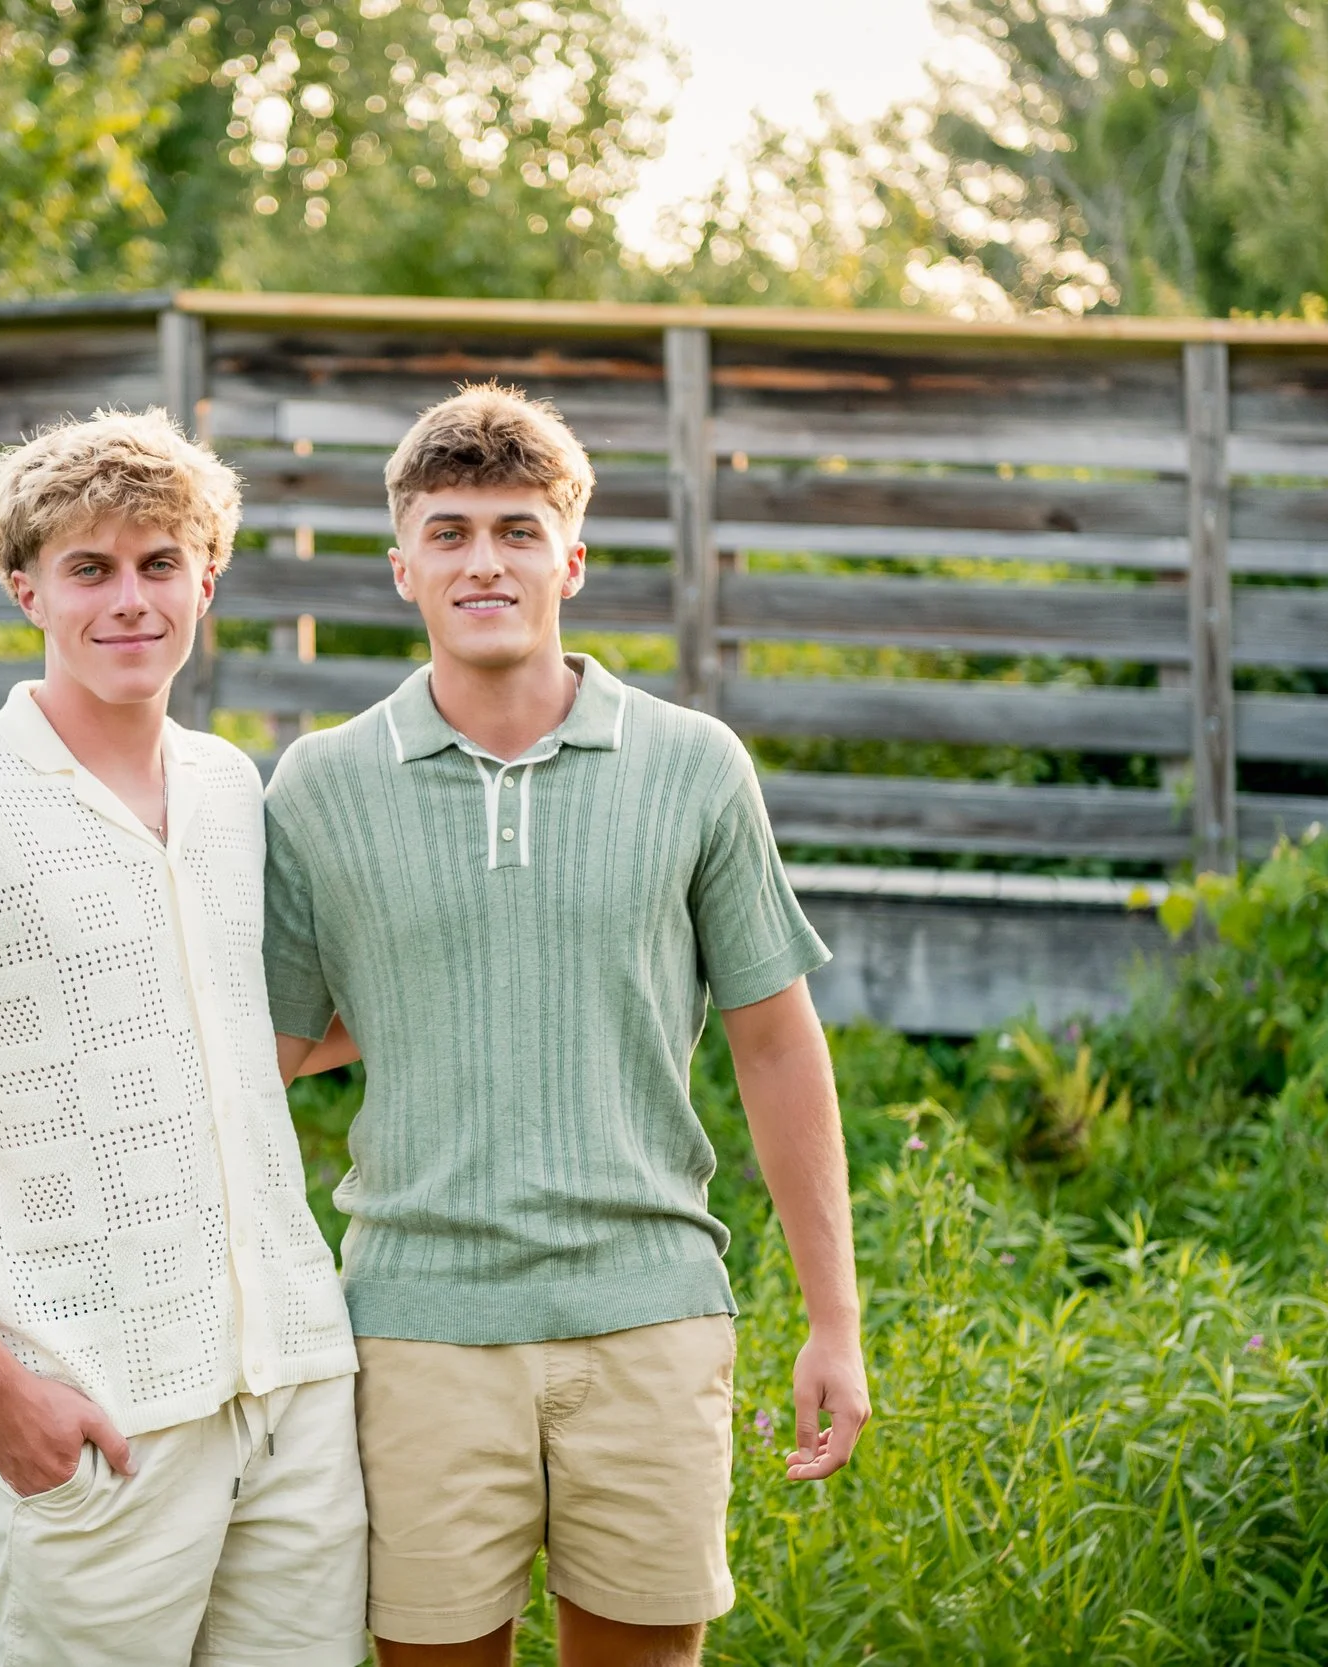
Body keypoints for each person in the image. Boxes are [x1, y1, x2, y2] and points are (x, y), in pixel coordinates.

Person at [264, 385, 872, 1667]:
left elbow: (774, 1042)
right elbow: (268, 1052)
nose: (483, 560)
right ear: (400, 567)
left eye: (515, 529)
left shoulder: (695, 764)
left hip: (648, 1315)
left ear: (571, 559)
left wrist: (836, 1319)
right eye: (448, 532)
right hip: (415, 1325)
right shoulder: (317, 785)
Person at [0, 409, 366, 1667]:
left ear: (209, 575)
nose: (129, 600)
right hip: (97, 1414)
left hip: (297, 1395)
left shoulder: (229, 792)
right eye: (90, 568)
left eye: (160, 563)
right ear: (23, 584)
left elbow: (225, 1052)